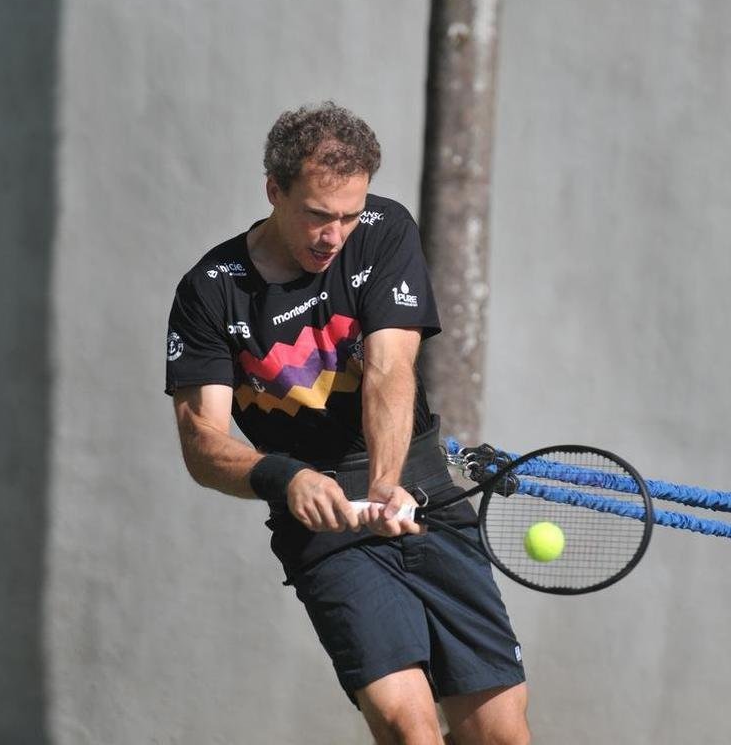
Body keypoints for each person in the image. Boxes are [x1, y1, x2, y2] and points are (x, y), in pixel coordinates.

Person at [165, 102, 529, 744]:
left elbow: (390, 369)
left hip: (422, 495)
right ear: (274, 191)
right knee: (408, 727)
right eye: (317, 214)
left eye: (348, 215)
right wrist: (283, 477)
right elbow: (202, 443)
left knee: (501, 733)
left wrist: (388, 483)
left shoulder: (384, 230)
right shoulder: (209, 291)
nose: (334, 235)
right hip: (323, 526)